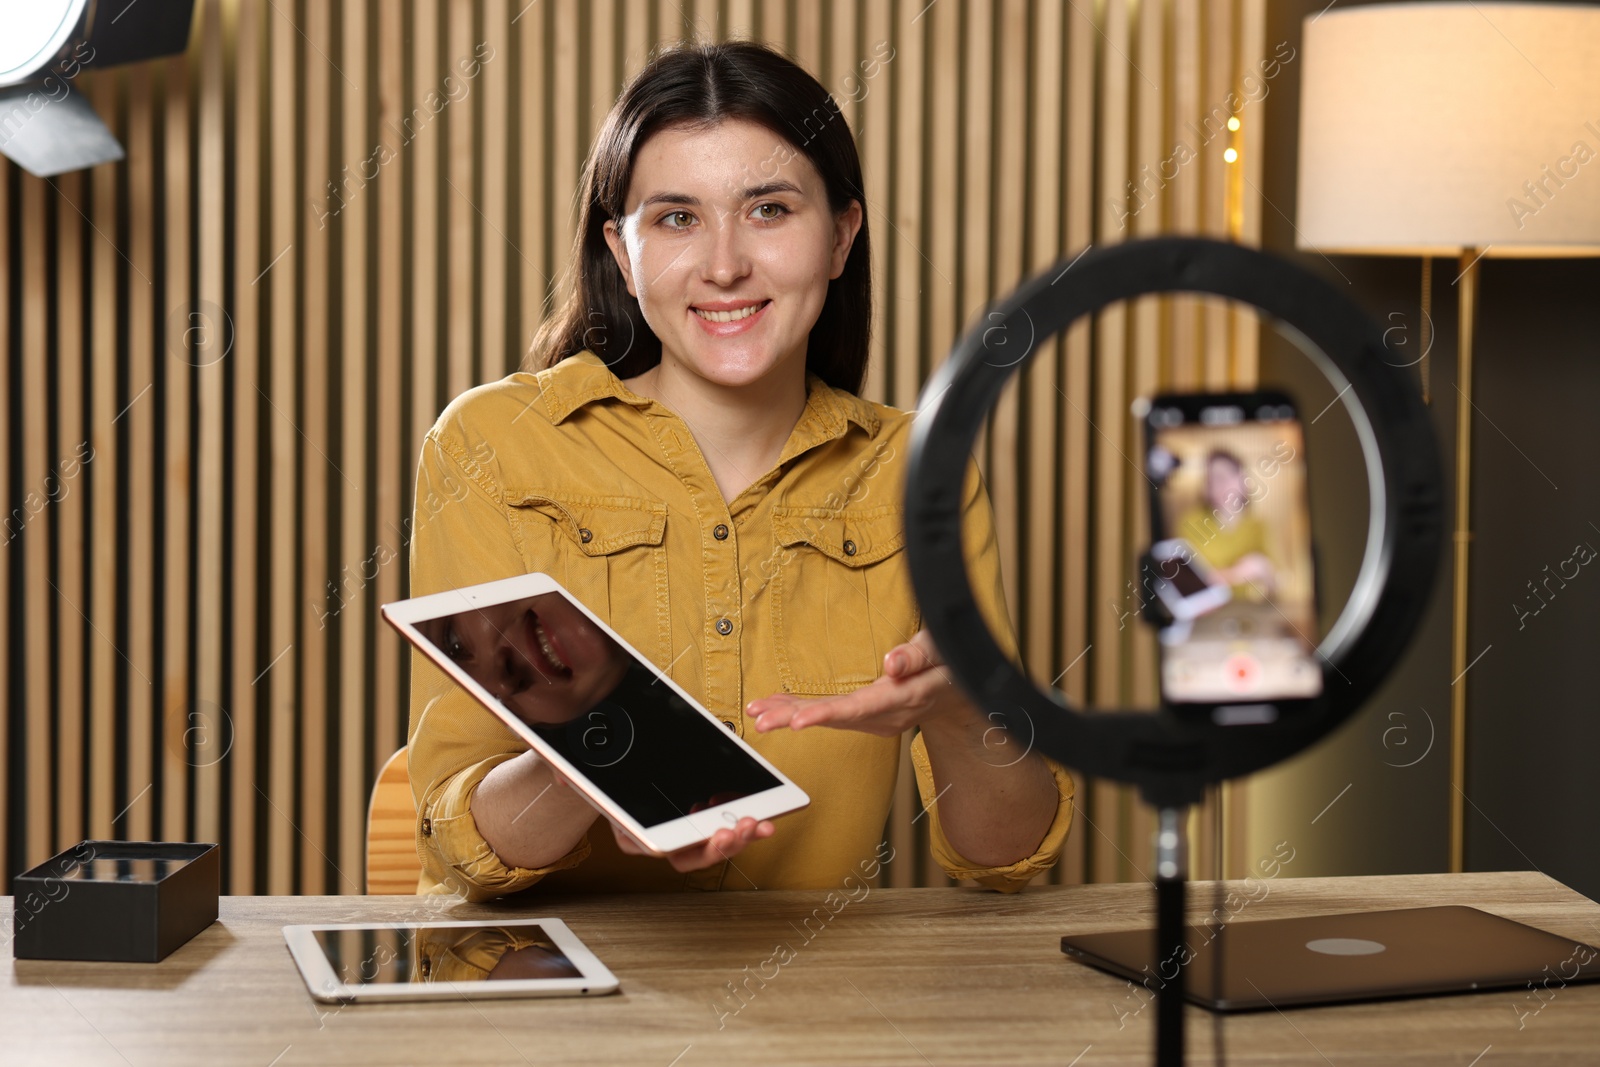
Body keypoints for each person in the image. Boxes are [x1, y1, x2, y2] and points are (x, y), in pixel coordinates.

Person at [406, 39, 1074, 900]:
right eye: (677, 217)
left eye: (769, 209)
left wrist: (953, 707)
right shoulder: (494, 444)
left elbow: (1007, 858)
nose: (724, 264)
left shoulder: (916, 473)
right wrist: (594, 765)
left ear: (840, 236)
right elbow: (458, 842)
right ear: (621, 249)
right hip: (543, 1006)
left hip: (807, 1013)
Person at [1176, 448, 1277, 600]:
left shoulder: (1259, 526)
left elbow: (1276, 584)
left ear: (1244, 481)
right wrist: (1238, 573)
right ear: (1206, 488)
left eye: (1229, 476)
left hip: (1249, 612)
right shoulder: (1190, 524)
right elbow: (1189, 580)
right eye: (1214, 479)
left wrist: (1265, 570)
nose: (1222, 486)